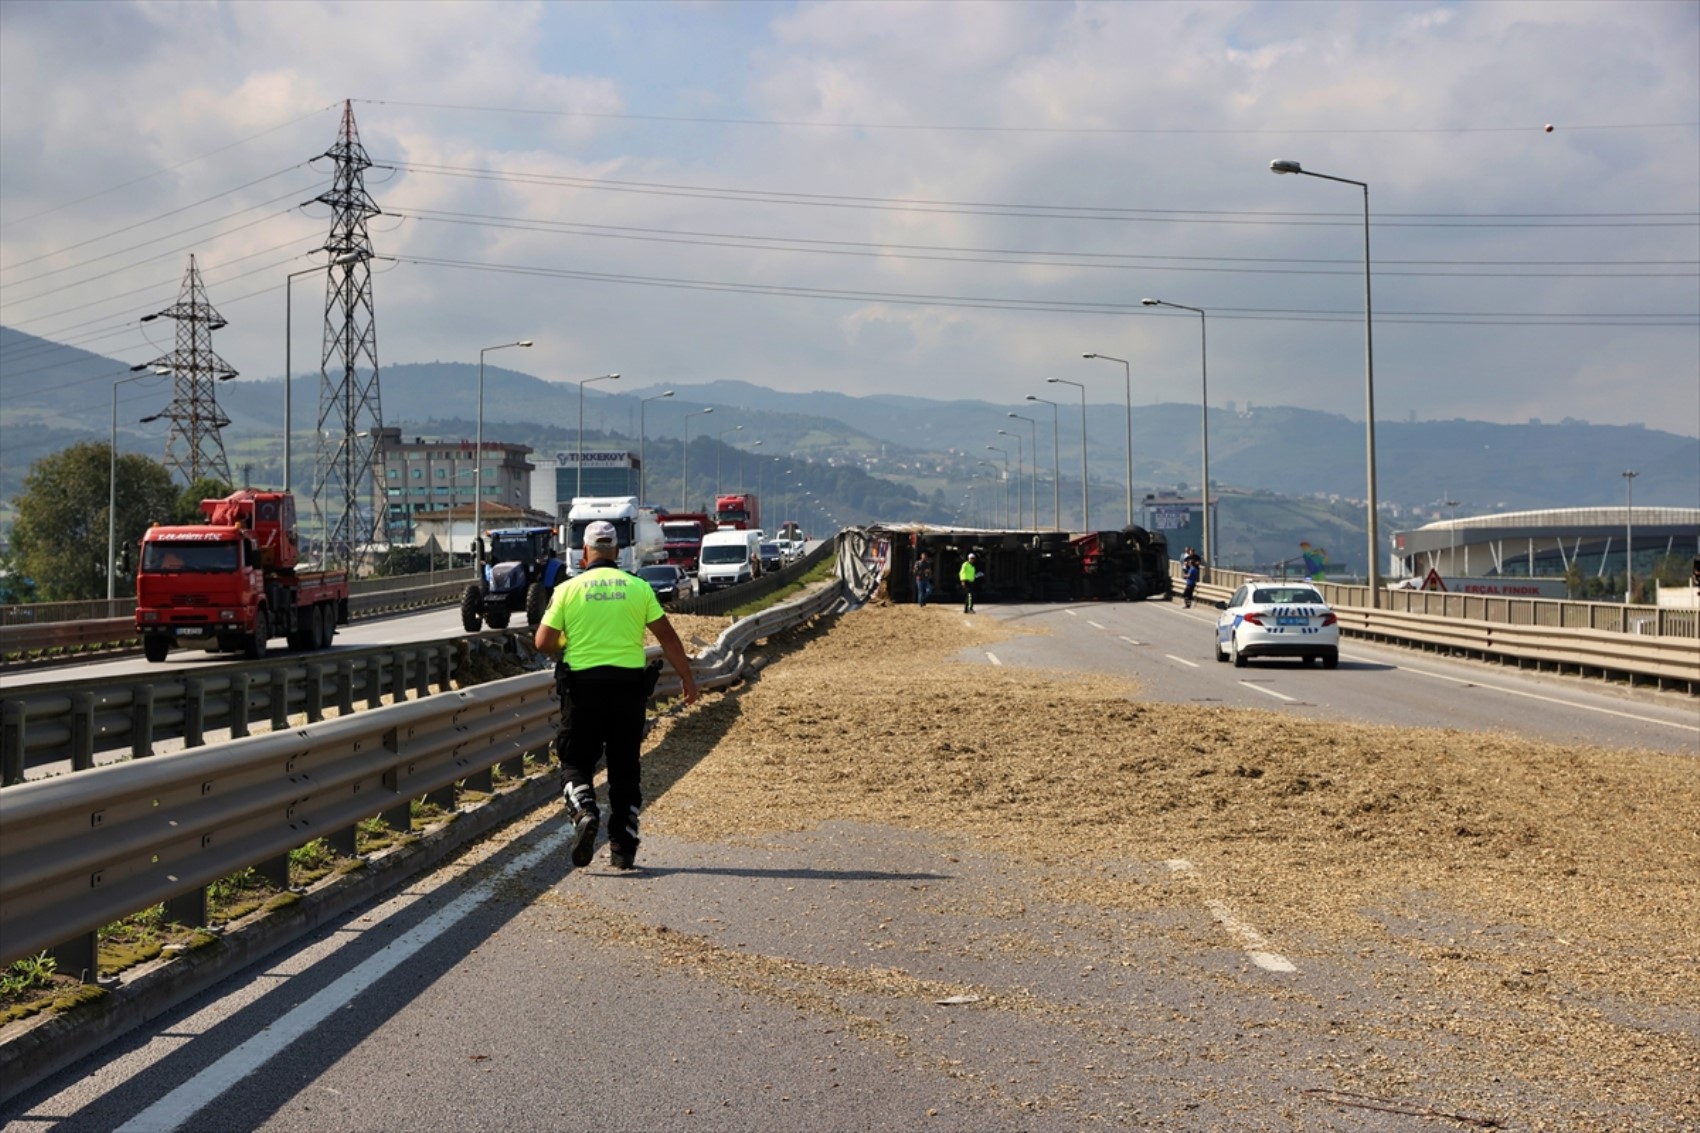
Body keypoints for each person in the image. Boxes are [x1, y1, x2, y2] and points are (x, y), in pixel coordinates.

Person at [534, 520, 699, 871]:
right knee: (625, 769)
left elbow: (543, 642)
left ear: (585, 553)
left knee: (576, 760)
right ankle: (622, 848)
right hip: (628, 690)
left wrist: (569, 645)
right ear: (618, 552)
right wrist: (687, 678)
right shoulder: (638, 588)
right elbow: (668, 637)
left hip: (582, 688)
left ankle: (583, 810)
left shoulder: (568, 590)